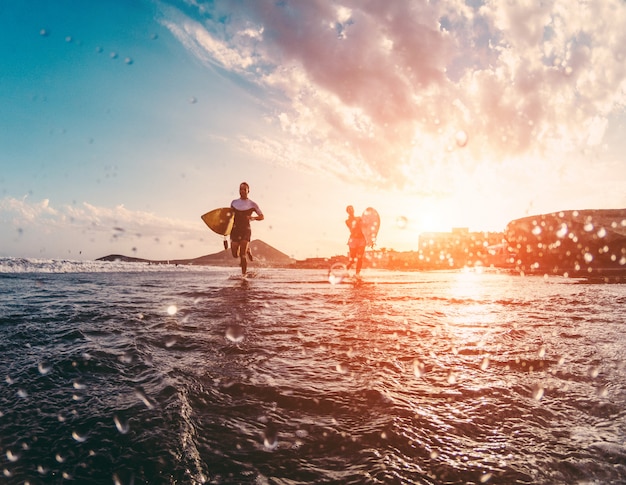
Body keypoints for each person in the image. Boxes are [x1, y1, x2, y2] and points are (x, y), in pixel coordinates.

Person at [230, 182, 264, 275]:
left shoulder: (253, 204)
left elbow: (262, 216)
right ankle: (248, 249)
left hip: (246, 229)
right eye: (240, 189)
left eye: (244, 189)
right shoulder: (234, 203)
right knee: (235, 254)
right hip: (235, 229)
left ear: (248, 190)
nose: (242, 191)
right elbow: (230, 217)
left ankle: (243, 277)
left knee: (242, 255)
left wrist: (253, 218)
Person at [345, 205, 366, 276]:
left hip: (362, 239)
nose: (351, 210)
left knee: (360, 257)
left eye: (352, 209)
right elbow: (353, 226)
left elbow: (365, 227)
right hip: (353, 240)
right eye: (349, 210)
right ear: (347, 212)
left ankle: (357, 274)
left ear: (353, 210)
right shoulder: (347, 221)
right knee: (353, 259)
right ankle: (348, 267)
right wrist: (359, 221)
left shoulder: (359, 218)